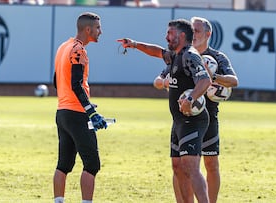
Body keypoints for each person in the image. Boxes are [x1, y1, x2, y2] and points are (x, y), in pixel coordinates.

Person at [139, 17, 239, 203]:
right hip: (183, 117)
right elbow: (159, 80)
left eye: (198, 31)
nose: (195, 35)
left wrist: (214, 76)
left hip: (206, 116)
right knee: (181, 166)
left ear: (208, 34)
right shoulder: (179, 55)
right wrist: (164, 82)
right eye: (192, 30)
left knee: (209, 164)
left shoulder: (216, 57)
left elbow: (233, 81)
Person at [118, 18, 211, 202]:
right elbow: (156, 51)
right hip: (178, 121)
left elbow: (205, 80)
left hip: (192, 121)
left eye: (170, 33)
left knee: (191, 168)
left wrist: (190, 98)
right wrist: (135, 45)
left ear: (182, 35)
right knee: (177, 167)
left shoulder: (190, 55)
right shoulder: (175, 55)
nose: (166, 37)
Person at [53, 12, 107, 203]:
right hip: (77, 115)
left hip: (62, 113)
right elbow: (76, 84)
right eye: (98, 28)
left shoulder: (63, 47)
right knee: (92, 164)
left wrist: (83, 103)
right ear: (88, 29)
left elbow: (57, 81)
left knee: (64, 165)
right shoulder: (78, 50)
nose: (101, 31)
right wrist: (90, 111)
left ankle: (58, 200)